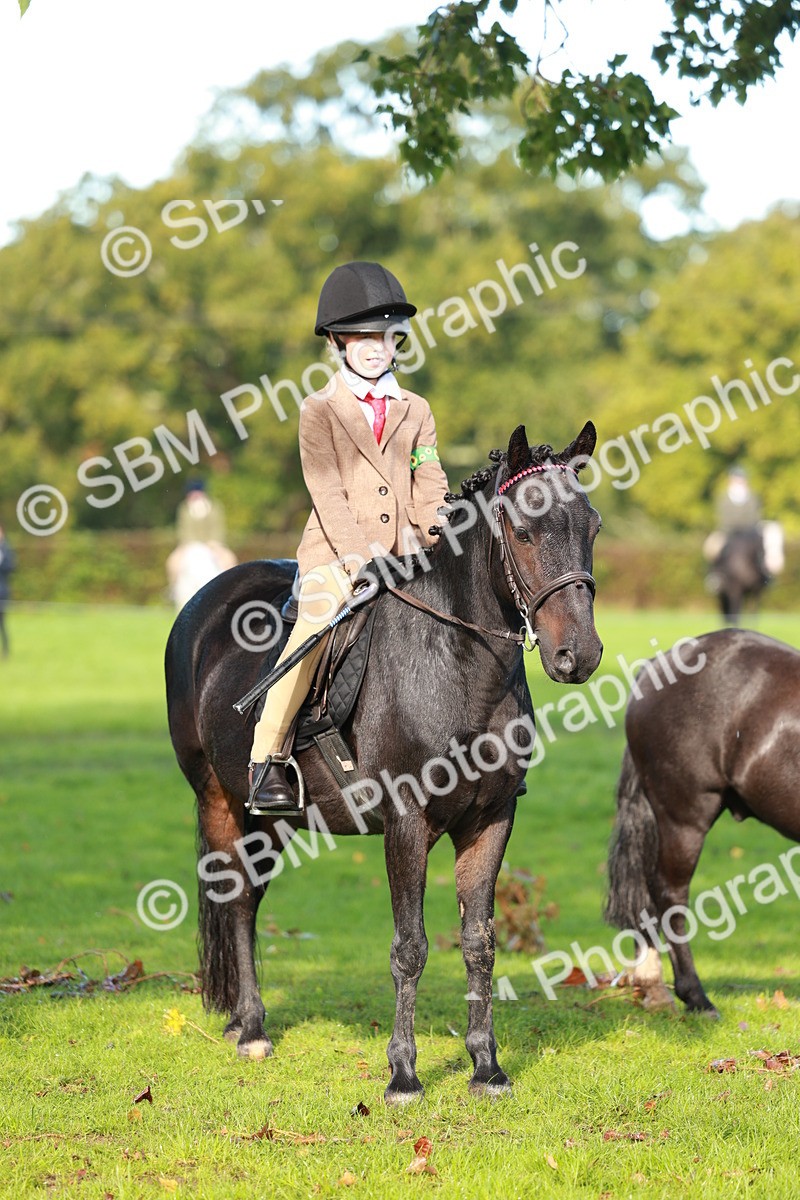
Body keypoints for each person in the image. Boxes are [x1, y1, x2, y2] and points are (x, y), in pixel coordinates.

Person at [247, 260, 450, 816]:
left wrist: (439, 523)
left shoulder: (417, 409)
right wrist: (362, 559)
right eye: (363, 336)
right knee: (311, 627)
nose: (375, 347)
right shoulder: (319, 411)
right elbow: (327, 490)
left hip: (411, 553)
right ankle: (267, 761)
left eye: (385, 336)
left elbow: (427, 475)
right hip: (338, 557)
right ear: (338, 341)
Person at [166, 480, 236, 610]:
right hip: (190, 543)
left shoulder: (214, 507)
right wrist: (188, 543)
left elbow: (218, 528)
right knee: (172, 562)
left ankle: (231, 592)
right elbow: (183, 529)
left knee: (229, 560)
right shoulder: (184, 508)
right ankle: (172, 590)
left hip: (213, 543)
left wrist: (214, 543)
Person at [0, 524, 15, 658]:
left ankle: (5, 651)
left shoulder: (6, 549)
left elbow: (11, 567)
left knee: (2, 623)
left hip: (1, 592)